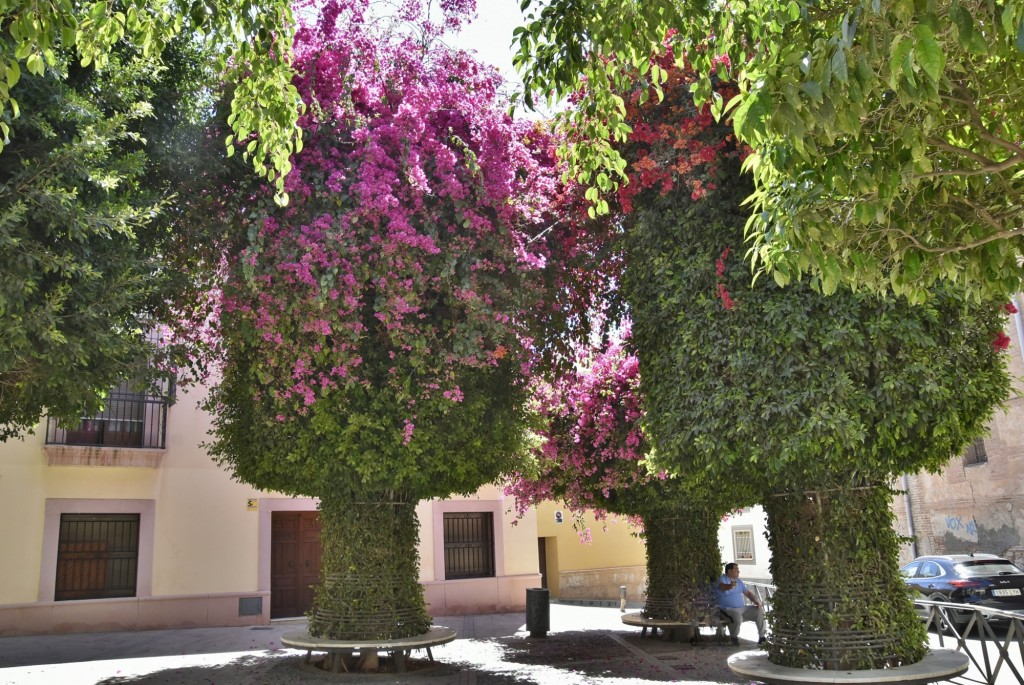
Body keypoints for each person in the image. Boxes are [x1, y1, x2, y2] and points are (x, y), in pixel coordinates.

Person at [716, 562, 766, 645]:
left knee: (759, 611)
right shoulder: (722, 578)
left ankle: (762, 637)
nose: (738, 571)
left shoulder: (738, 581)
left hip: (742, 608)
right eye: (736, 569)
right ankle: (733, 638)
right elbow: (723, 587)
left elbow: (748, 593)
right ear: (729, 571)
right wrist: (730, 586)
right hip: (727, 609)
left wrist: (756, 601)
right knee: (737, 616)